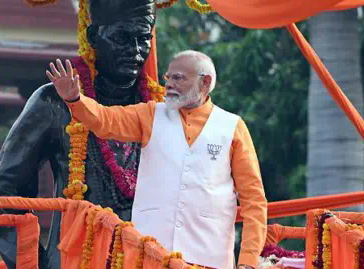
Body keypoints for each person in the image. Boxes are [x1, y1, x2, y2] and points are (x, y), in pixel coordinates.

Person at [47, 50, 267, 269]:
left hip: (209, 256)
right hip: (150, 255)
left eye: (178, 77)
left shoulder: (232, 127)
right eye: (168, 77)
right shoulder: (151, 114)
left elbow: (253, 201)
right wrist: (74, 99)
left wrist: (248, 261)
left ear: (205, 82)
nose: (169, 84)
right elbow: (105, 120)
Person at [0, 0, 160, 268]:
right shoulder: (54, 103)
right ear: (93, 37)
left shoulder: (165, 110)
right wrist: (33, 263)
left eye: (143, 38)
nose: (135, 51)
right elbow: (4, 193)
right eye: (122, 38)